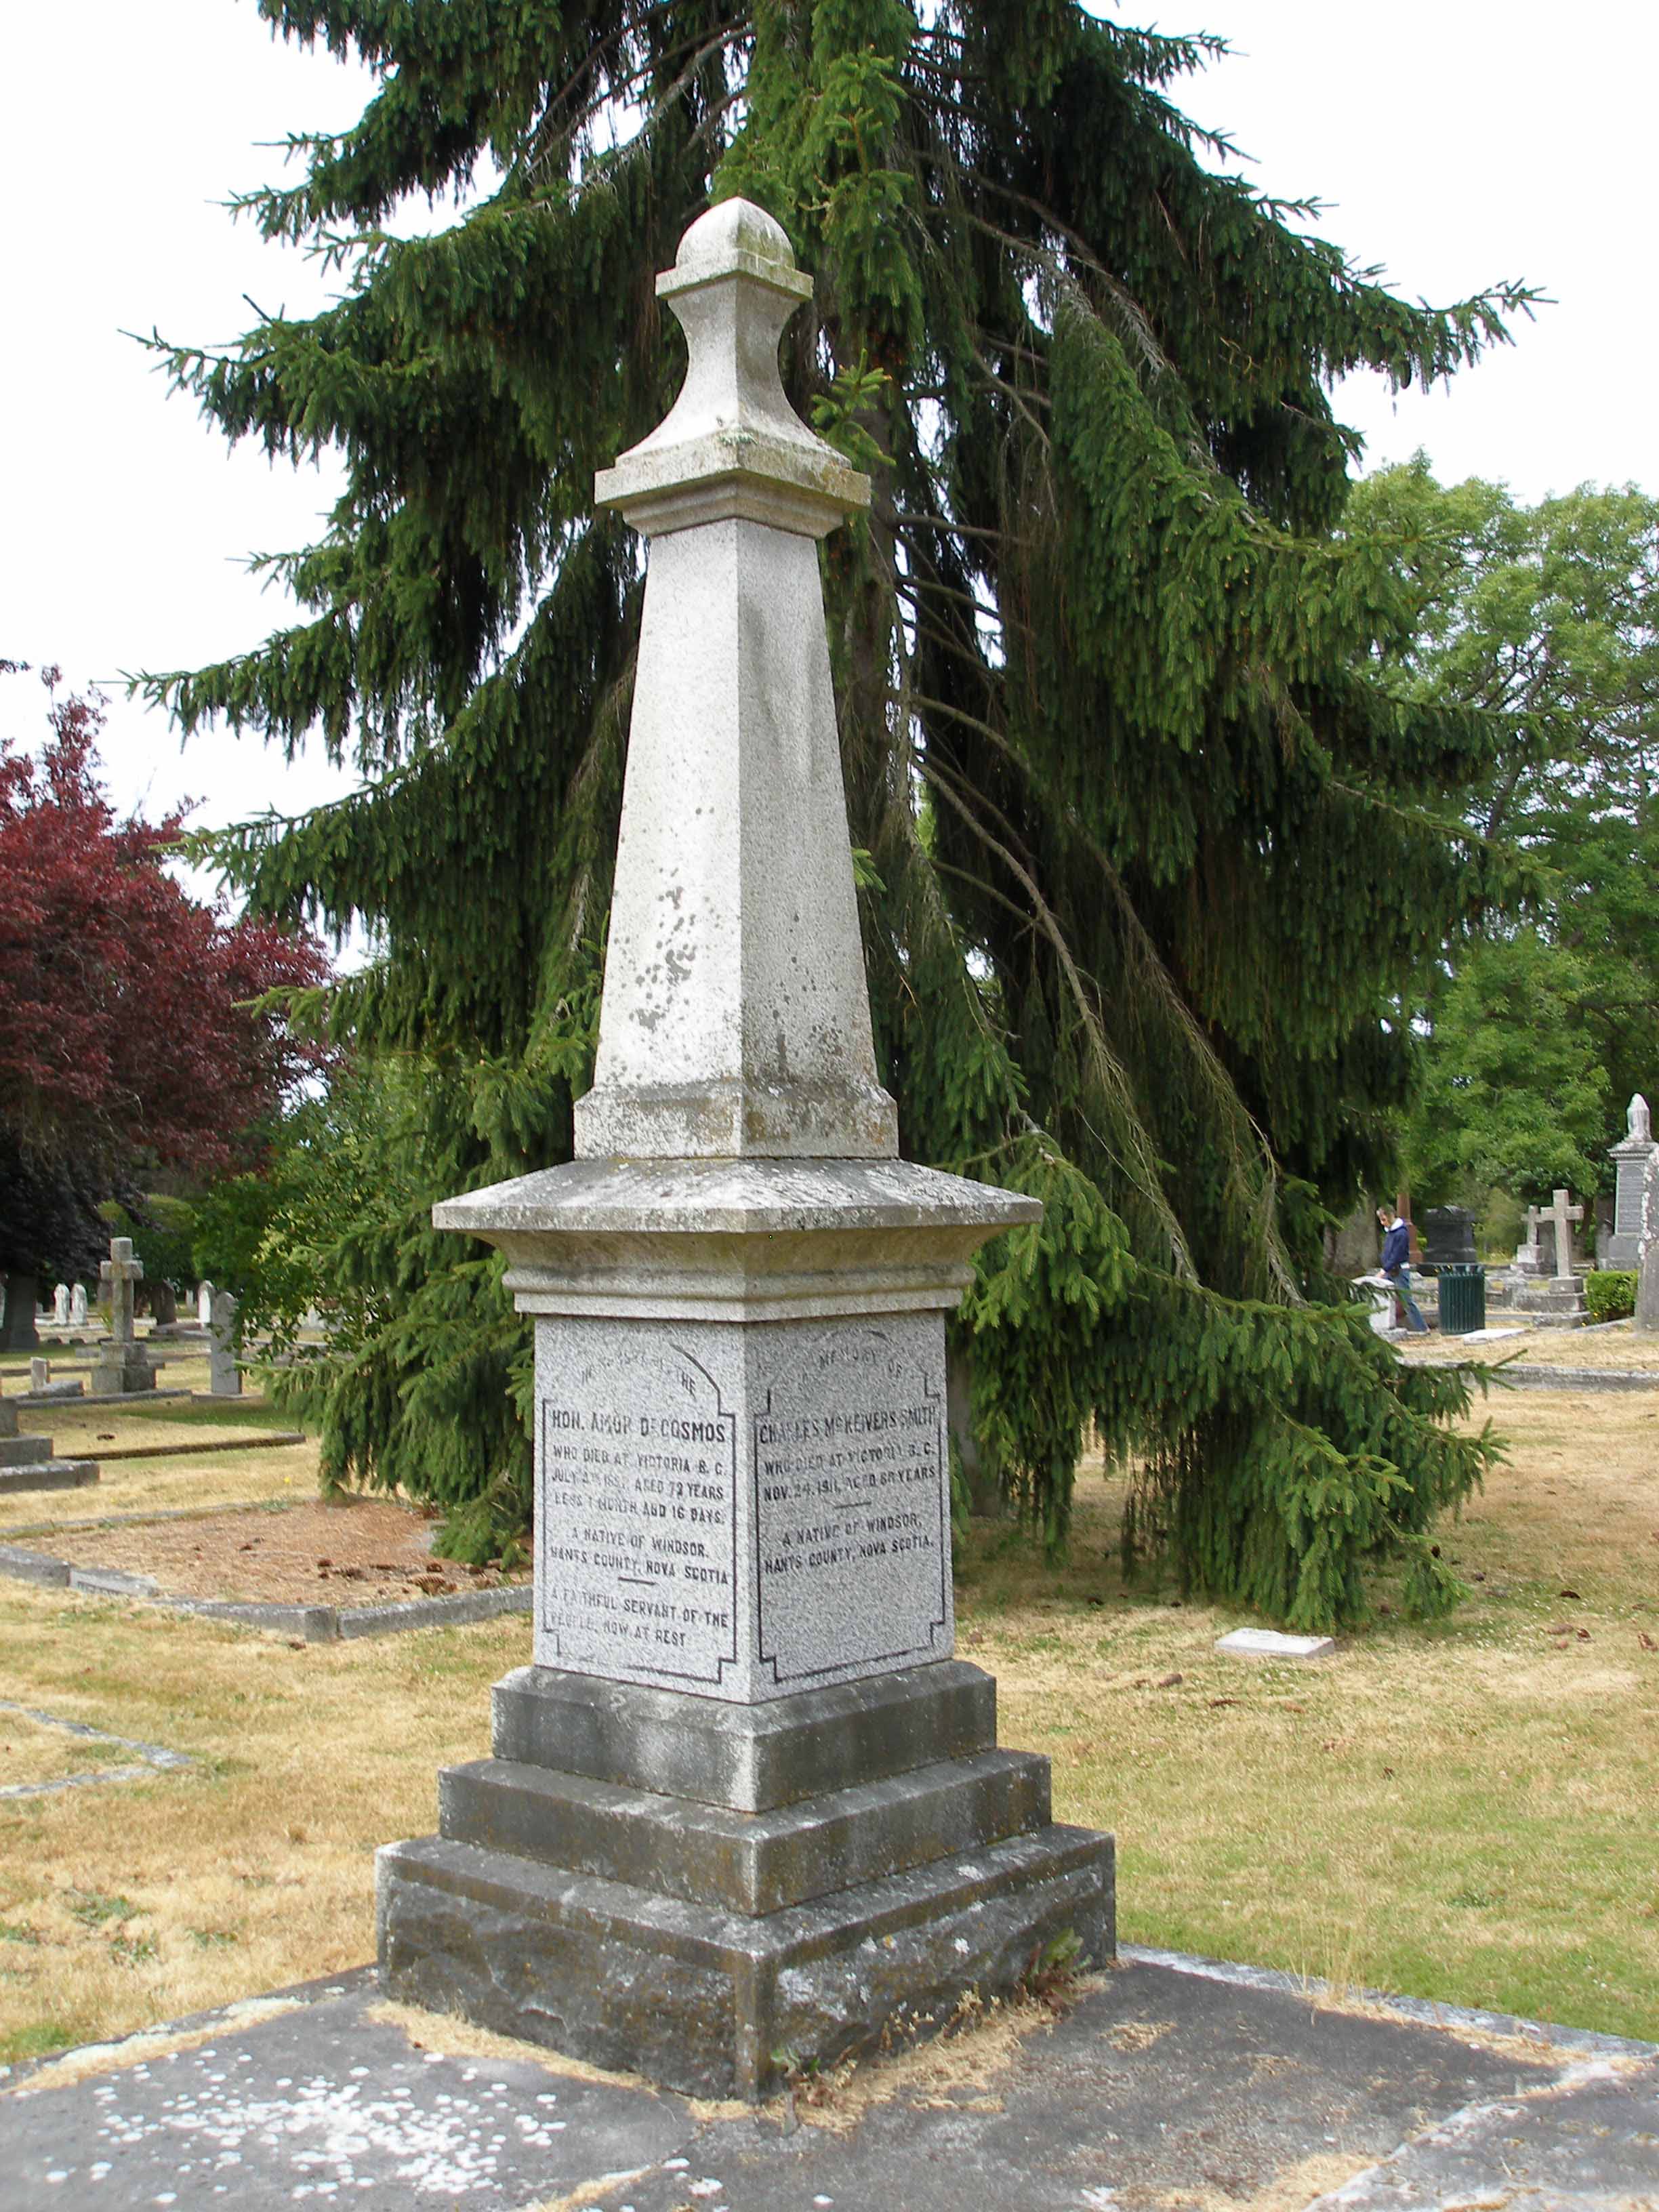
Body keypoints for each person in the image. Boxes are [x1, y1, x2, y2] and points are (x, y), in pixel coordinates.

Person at [1376, 1202, 1428, 1334]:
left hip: (1399, 1271)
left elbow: (1397, 1255)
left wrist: (1384, 1270)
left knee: (1407, 1301)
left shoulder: (1401, 1234)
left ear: (1391, 1216)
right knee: (1386, 1298)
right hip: (1391, 1270)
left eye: (1384, 1219)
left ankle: (1422, 1328)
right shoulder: (1391, 1233)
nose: (1382, 1223)